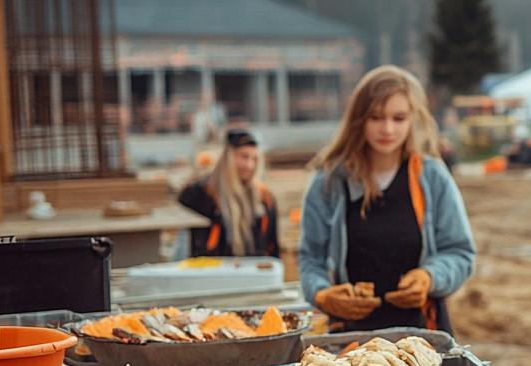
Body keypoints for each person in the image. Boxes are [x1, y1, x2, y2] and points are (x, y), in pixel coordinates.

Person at [299, 65, 476, 333]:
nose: (387, 129)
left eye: (399, 118)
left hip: (423, 336)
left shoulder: (431, 177)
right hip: (350, 339)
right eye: (376, 117)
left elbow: (460, 252)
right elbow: (311, 259)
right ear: (359, 119)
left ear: (413, 119)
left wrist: (429, 277)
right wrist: (323, 294)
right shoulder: (329, 182)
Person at [177, 128, 280, 258]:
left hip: (252, 270)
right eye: (243, 156)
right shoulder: (204, 192)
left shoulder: (265, 198)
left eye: (254, 159)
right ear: (228, 157)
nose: (249, 165)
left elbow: (272, 245)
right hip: (213, 269)